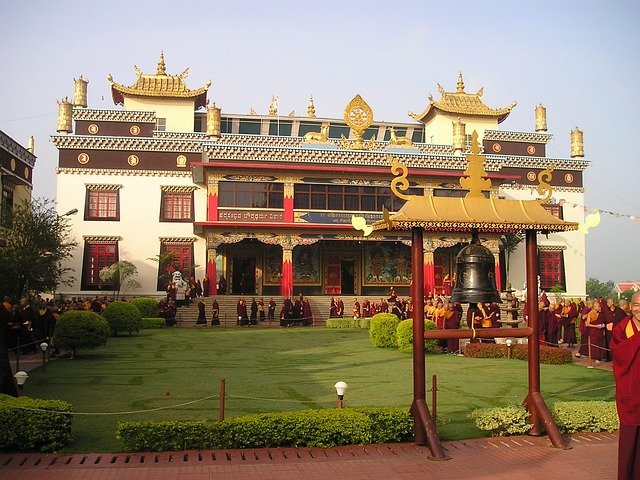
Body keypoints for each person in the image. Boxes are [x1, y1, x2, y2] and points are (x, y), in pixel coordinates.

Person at [609, 291, 640, 480]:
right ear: (630, 306)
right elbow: (619, 354)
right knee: (630, 437)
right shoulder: (622, 329)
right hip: (631, 392)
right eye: (637, 304)